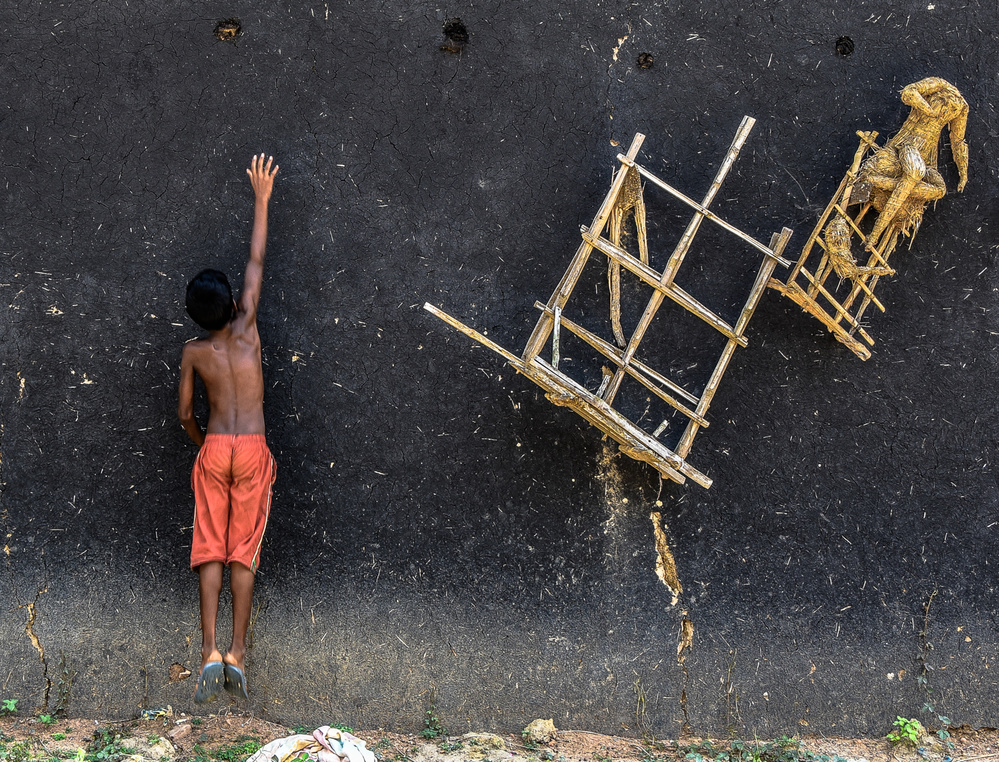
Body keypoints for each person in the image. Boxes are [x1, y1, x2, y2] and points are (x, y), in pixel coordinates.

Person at [178, 154, 279, 703]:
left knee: (209, 548)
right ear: (233, 303)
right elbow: (257, 258)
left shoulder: (194, 352)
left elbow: (183, 414)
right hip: (254, 447)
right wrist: (261, 198)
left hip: (215, 447)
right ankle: (238, 653)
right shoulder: (248, 328)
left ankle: (208, 650)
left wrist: (202, 446)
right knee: (244, 550)